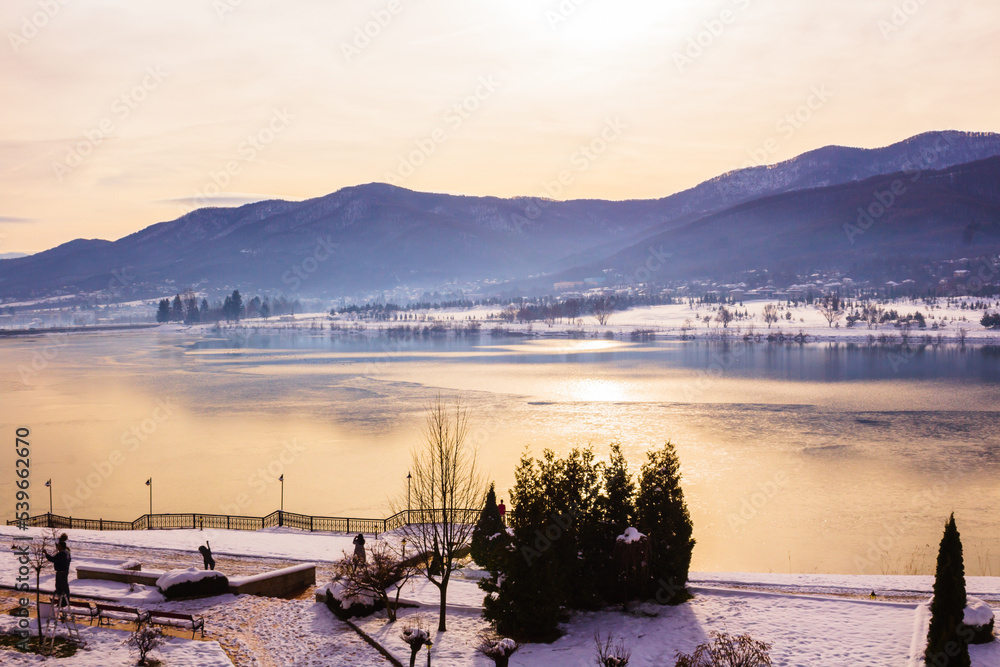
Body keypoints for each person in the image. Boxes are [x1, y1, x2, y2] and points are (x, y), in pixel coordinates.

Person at [44, 534, 71, 605]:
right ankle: (65, 601)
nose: (57, 547)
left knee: (60, 587)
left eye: (58, 546)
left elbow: (53, 559)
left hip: (61, 572)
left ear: (61, 547)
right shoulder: (67, 552)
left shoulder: (61, 554)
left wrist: (46, 554)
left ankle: (63, 602)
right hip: (65, 571)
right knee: (64, 586)